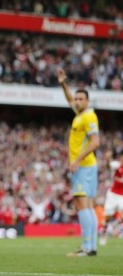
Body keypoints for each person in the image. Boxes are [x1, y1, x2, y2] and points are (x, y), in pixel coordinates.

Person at [57, 68, 100, 257]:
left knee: (82, 204)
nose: (77, 101)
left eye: (81, 99)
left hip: (84, 166)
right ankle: (91, 247)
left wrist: (76, 161)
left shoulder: (89, 116)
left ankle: (86, 247)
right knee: (87, 205)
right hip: (86, 166)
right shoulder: (79, 115)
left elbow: (95, 141)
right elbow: (68, 99)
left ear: (87, 101)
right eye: (76, 99)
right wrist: (63, 84)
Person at [99, 150, 123, 245]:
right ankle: (104, 232)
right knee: (108, 217)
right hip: (112, 195)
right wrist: (108, 158)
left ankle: (114, 226)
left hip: (122, 196)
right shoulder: (117, 165)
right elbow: (108, 166)